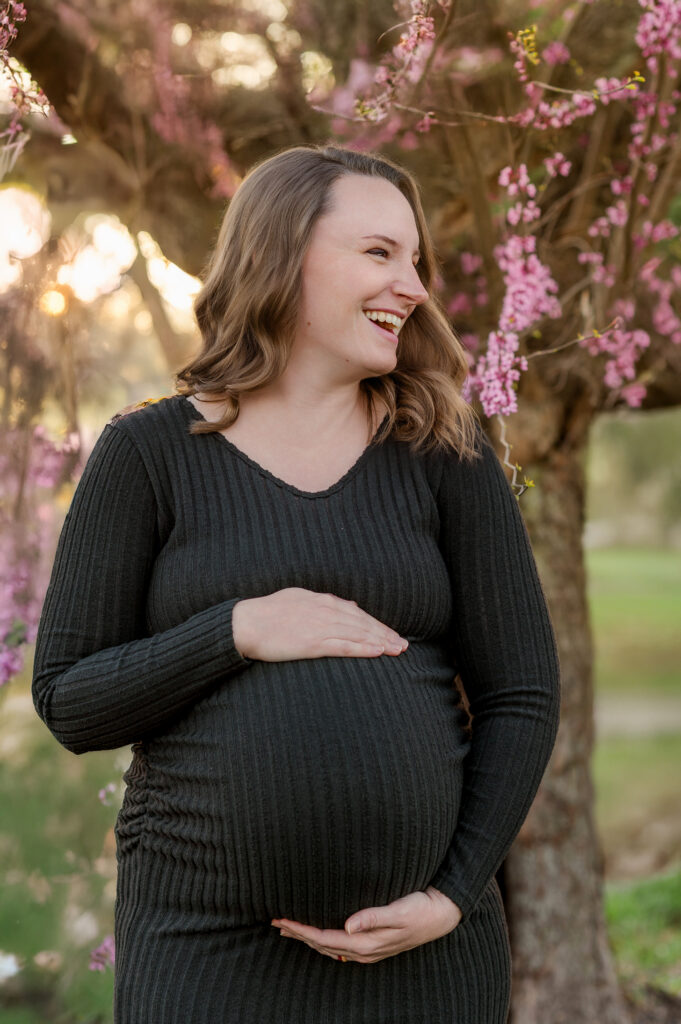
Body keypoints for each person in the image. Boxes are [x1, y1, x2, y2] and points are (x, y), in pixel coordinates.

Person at [32, 144, 561, 1024]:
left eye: (416, 260)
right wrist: (235, 629)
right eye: (379, 254)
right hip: (206, 956)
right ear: (283, 255)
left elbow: (522, 692)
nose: (414, 287)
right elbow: (69, 698)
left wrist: (452, 894)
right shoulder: (146, 457)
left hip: (425, 960)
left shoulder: (443, 456)